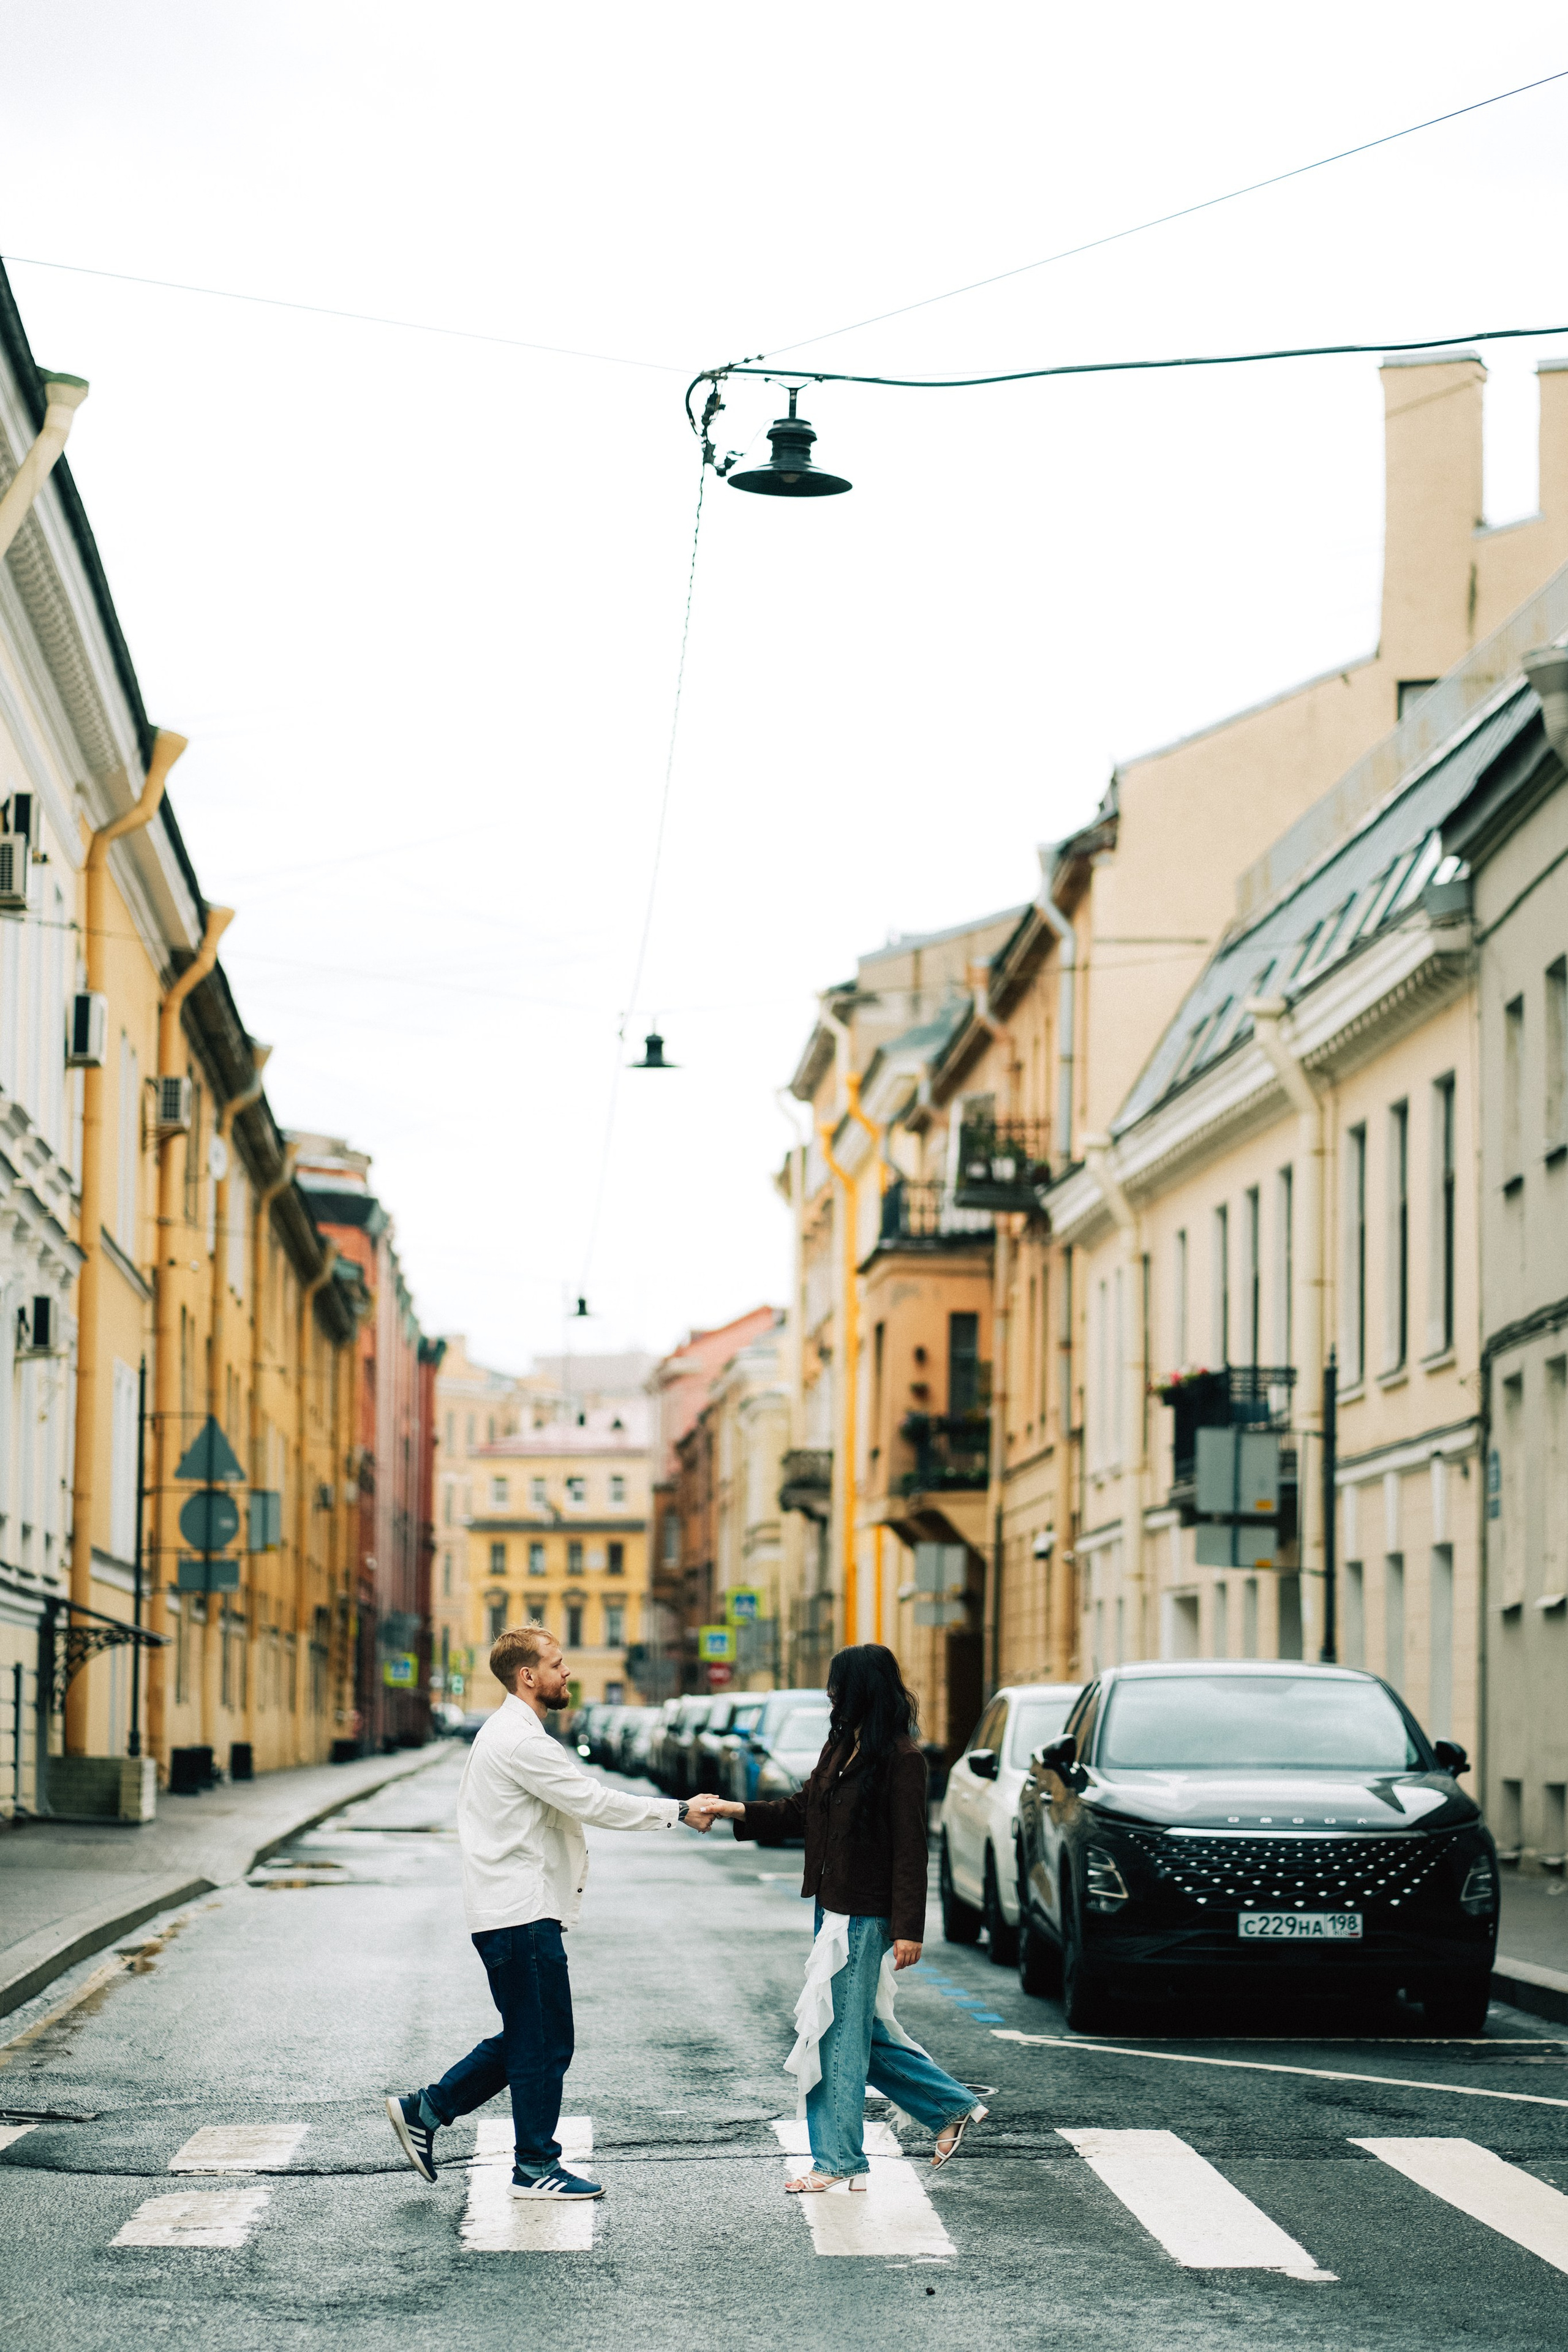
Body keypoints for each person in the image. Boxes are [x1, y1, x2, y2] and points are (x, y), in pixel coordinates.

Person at [386, 1624, 725, 2200]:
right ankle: (533, 2166)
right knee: (541, 2041)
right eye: (557, 1663)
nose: (567, 1673)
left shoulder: (511, 1734)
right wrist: (679, 1810)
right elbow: (591, 1800)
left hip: (514, 1909)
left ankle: (428, 2109)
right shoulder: (520, 1741)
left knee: (536, 2037)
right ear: (528, 1676)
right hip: (518, 1912)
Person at [705, 1643, 986, 2191]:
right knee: (859, 2031)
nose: (831, 1694)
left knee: (833, 2034)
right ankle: (951, 2106)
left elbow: (911, 1849)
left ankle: (837, 2162)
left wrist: (908, 1928)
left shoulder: (902, 1759)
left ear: (862, 1690)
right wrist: (732, 1810)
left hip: (866, 1916)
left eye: (838, 1685)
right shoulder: (840, 1747)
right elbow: (799, 1810)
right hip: (832, 1909)